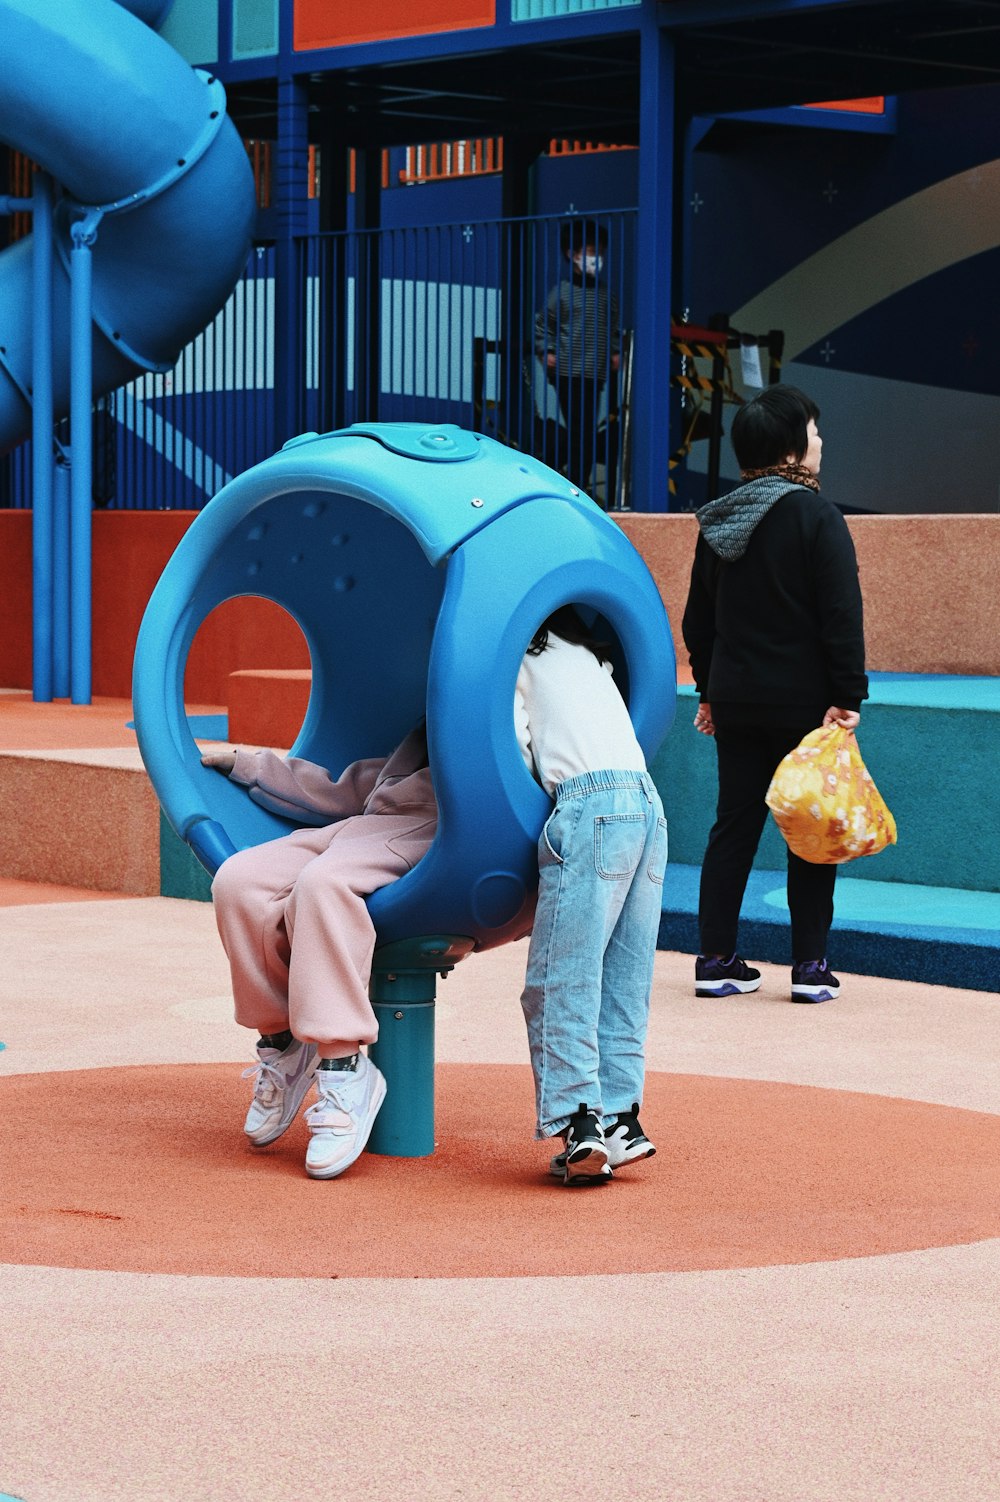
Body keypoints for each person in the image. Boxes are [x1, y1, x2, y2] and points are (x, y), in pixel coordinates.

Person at [681, 384, 867, 1005]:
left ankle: (715, 959)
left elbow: (696, 623)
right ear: (792, 447)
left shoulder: (719, 522)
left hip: (736, 702)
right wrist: (847, 693)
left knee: (734, 825)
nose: (821, 443)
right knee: (808, 827)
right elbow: (840, 614)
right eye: (814, 432)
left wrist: (710, 691)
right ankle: (810, 966)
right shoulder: (818, 517)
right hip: (804, 706)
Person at [202, 724, 436, 1180]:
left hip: (438, 830)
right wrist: (250, 765)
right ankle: (283, 1040)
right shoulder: (419, 736)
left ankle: (344, 1063)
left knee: (323, 886)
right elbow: (343, 790)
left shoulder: (502, 716)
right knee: (238, 881)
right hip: (360, 828)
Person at [516, 607, 667, 1186]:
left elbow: (514, 750)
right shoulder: (587, 655)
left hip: (589, 804)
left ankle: (580, 1121)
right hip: (647, 804)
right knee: (624, 972)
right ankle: (622, 1119)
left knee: (562, 973)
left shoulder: (518, 663)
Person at [534, 219, 621, 505]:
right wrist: (546, 350)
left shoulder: (606, 294)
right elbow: (542, 325)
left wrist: (615, 350)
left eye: (600, 252)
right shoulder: (561, 292)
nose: (596, 258)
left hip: (594, 373)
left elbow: (614, 327)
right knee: (579, 431)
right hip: (568, 372)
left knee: (585, 431)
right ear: (572, 254)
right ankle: (576, 486)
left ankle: (576, 484)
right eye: (591, 250)